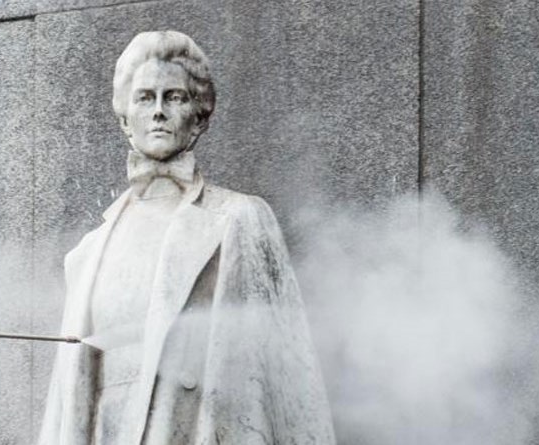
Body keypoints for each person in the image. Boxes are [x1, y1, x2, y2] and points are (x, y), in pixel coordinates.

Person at [35, 31, 335, 444]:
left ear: (198, 117)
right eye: (145, 98)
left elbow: (290, 369)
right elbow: (68, 402)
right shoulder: (86, 255)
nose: (158, 111)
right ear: (124, 117)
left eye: (173, 97)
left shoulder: (239, 218)